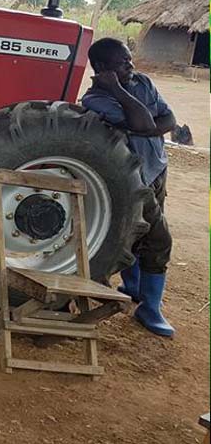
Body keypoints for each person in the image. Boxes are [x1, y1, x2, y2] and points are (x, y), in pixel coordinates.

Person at [81, 37, 176, 337]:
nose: (131, 65)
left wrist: (147, 128)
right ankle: (150, 308)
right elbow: (146, 123)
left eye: (129, 58)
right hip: (133, 180)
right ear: (102, 68)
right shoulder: (95, 100)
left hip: (156, 168)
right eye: (123, 63)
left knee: (141, 234)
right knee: (159, 239)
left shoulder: (142, 82)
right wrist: (118, 91)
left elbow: (169, 120)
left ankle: (133, 288)